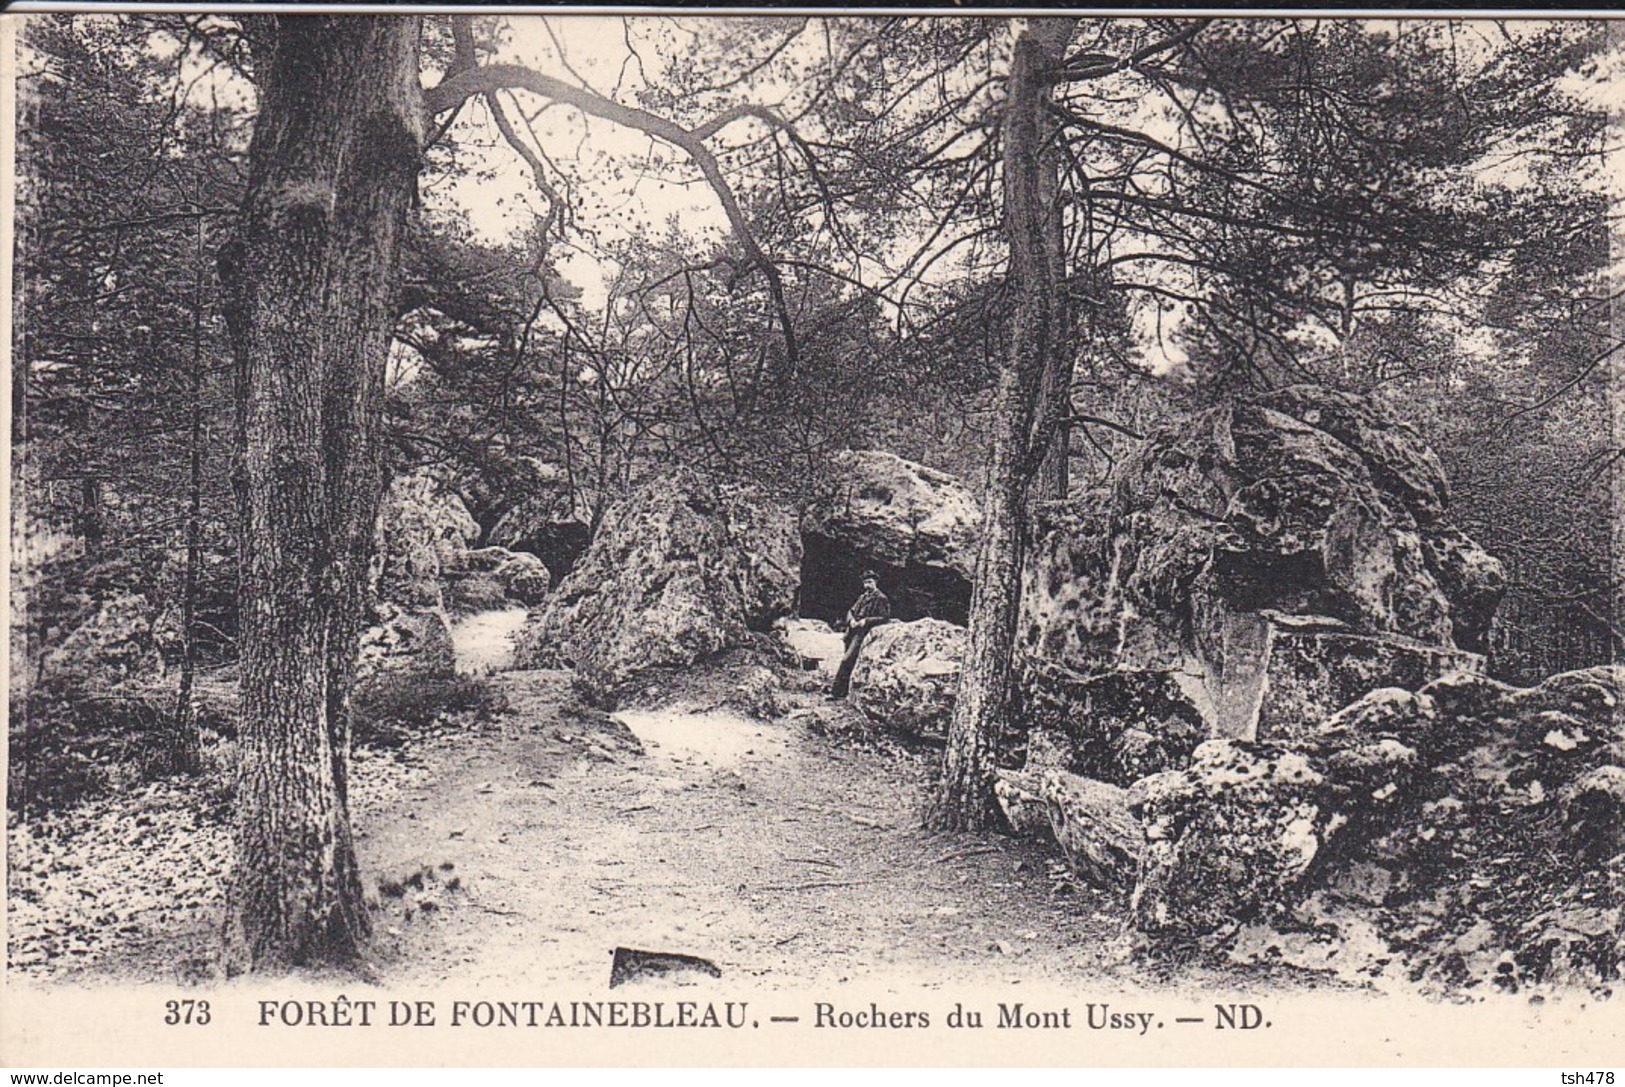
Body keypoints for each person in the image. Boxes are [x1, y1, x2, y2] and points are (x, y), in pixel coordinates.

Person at [830, 570, 891, 700]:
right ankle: (843, 691)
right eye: (865, 583)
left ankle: (836, 692)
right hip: (852, 631)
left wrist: (866, 621)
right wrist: (851, 620)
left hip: (863, 633)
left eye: (870, 582)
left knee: (846, 660)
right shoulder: (862, 597)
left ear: (875, 582)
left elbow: (884, 617)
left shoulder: (881, 598)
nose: (867, 585)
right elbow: (851, 611)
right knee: (848, 661)